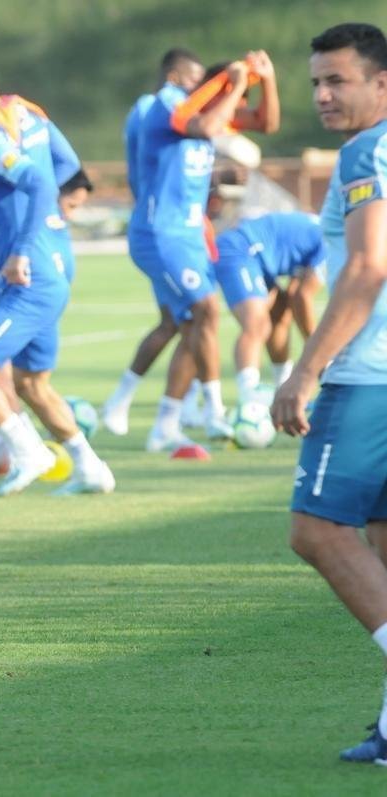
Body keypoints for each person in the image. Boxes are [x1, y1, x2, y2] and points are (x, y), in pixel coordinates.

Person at [269, 23, 387, 764]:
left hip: (365, 375)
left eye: (338, 79)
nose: (322, 94)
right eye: (316, 80)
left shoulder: (365, 153)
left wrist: (306, 368)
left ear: (381, 83)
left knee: (315, 530)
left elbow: (368, 267)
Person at [0, 80, 114, 497]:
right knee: (32, 385)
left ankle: (29, 451)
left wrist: (21, 253)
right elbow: (10, 213)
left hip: (31, 284)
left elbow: (42, 184)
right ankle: (91, 468)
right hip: (41, 279)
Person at [132, 53, 280, 452]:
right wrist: (230, 86)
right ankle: (213, 411)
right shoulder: (167, 103)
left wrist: (266, 81)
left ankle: (166, 424)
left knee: (192, 326)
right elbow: (209, 124)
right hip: (160, 231)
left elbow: (266, 124)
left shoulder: (209, 114)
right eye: (195, 81)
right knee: (206, 312)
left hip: (190, 236)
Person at [100, 49, 205, 436]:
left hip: (175, 226)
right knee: (192, 316)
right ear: (176, 76)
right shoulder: (154, 107)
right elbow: (145, 164)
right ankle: (175, 410)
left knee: (181, 321)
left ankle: (142, 404)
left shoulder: (161, 108)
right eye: (194, 80)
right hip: (162, 227)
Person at [212, 211, 326, 403]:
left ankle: (282, 387)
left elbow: (293, 293)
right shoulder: (334, 242)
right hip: (241, 250)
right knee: (257, 324)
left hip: (257, 258)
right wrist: (317, 347)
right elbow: (302, 296)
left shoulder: (329, 232)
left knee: (280, 312)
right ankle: (249, 399)